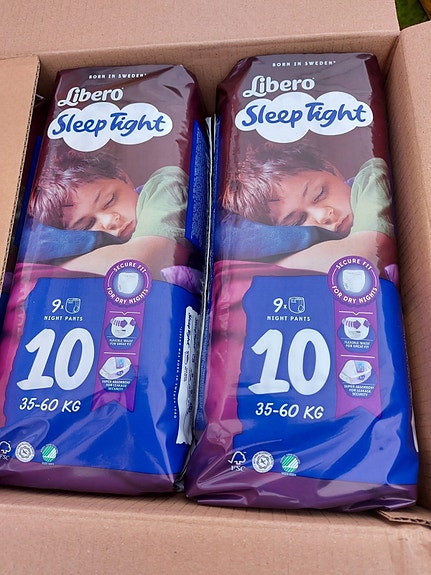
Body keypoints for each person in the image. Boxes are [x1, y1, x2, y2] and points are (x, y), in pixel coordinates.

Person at [220, 142, 397, 276]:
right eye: (298, 220)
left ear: (330, 169)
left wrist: (275, 268)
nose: (322, 216)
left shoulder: (371, 177)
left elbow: (367, 252)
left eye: (319, 194)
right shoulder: (305, 243)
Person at [28, 149, 195, 280]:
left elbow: (140, 262)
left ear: (123, 177)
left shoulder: (165, 183)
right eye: (87, 225)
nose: (108, 221)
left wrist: (55, 271)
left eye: (109, 200)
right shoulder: (94, 246)